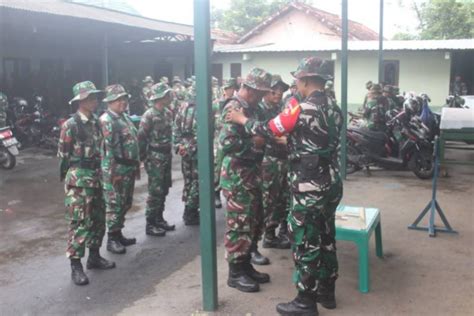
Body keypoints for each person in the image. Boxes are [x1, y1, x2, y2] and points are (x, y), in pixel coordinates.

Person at [226, 57, 343, 315]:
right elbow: (313, 140)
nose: (295, 85)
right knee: (326, 237)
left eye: (297, 80)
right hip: (331, 180)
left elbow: (269, 128)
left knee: (305, 240)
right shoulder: (334, 107)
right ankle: (326, 291)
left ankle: (305, 301)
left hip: (309, 184)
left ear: (305, 80)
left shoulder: (301, 109)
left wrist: (242, 119)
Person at [219, 68, 273, 293]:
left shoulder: (255, 108)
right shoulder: (234, 108)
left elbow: (264, 133)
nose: (262, 97)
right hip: (237, 175)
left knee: (254, 219)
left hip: (253, 172)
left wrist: (260, 140)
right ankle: (235, 272)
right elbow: (228, 143)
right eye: (260, 92)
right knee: (239, 222)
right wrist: (255, 145)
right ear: (249, 89)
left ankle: (246, 264)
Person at [58, 81, 115, 286]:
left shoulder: (96, 122)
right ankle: (76, 266)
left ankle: (94, 256)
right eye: (90, 97)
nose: (95, 100)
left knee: (98, 219)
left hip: (97, 177)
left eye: (95, 97)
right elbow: (63, 156)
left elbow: (102, 150)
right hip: (79, 181)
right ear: (80, 100)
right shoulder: (70, 125)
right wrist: (70, 181)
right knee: (79, 222)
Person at [100, 84, 140, 255]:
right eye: (119, 99)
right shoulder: (107, 121)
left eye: (124, 99)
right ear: (110, 101)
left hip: (128, 168)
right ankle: (112, 239)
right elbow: (106, 151)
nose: (123, 102)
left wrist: (135, 164)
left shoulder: (124, 117)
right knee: (115, 205)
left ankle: (118, 232)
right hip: (116, 170)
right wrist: (112, 174)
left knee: (125, 203)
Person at [258, 75, 291, 252]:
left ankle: (278, 232)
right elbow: (262, 133)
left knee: (283, 197)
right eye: (275, 90)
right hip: (268, 160)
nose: (278, 93)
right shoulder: (260, 110)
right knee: (268, 199)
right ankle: (267, 235)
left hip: (282, 158)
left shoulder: (280, 108)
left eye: (281, 90)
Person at [138, 83, 176, 236]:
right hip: (155, 157)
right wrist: (143, 158)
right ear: (160, 97)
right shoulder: (149, 115)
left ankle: (159, 219)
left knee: (164, 188)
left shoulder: (167, 113)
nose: (169, 97)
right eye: (167, 95)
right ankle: (150, 223)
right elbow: (141, 137)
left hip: (166, 155)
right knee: (155, 191)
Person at [173, 84, 200, 226]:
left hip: (185, 150)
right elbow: (200, 133)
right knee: (197, 181)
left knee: (189, 181)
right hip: (196, 152)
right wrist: (188, 147)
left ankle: (189, 210)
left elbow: (176, 130)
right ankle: (191, 211)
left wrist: (179, 146)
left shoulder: (181, 109)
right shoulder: (199, 109)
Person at [213, 78, 238, 209]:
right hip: (218, 139)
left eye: (232, 88)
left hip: (230, 138)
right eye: (228, 88)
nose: (230, 90)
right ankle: (215, 192)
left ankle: (228, 192)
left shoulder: (236, 103)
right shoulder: (216, 104)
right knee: (217, 166)